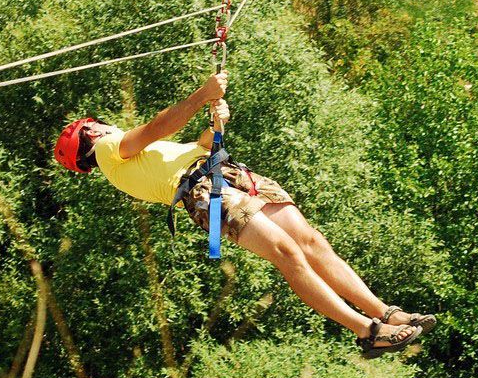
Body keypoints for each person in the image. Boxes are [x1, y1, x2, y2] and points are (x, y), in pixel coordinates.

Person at [53, 71, 433, 358]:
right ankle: (368, 331)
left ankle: (388, 313)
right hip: (206, 192)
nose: (104, 123)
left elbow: (196, 146)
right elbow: (157, 127)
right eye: (95, 123)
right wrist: (203, 94)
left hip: (223, 173)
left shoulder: (132, 159)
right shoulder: (108, 150)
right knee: (288, 253)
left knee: (312, 242)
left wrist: (216, 122)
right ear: (89, 134)